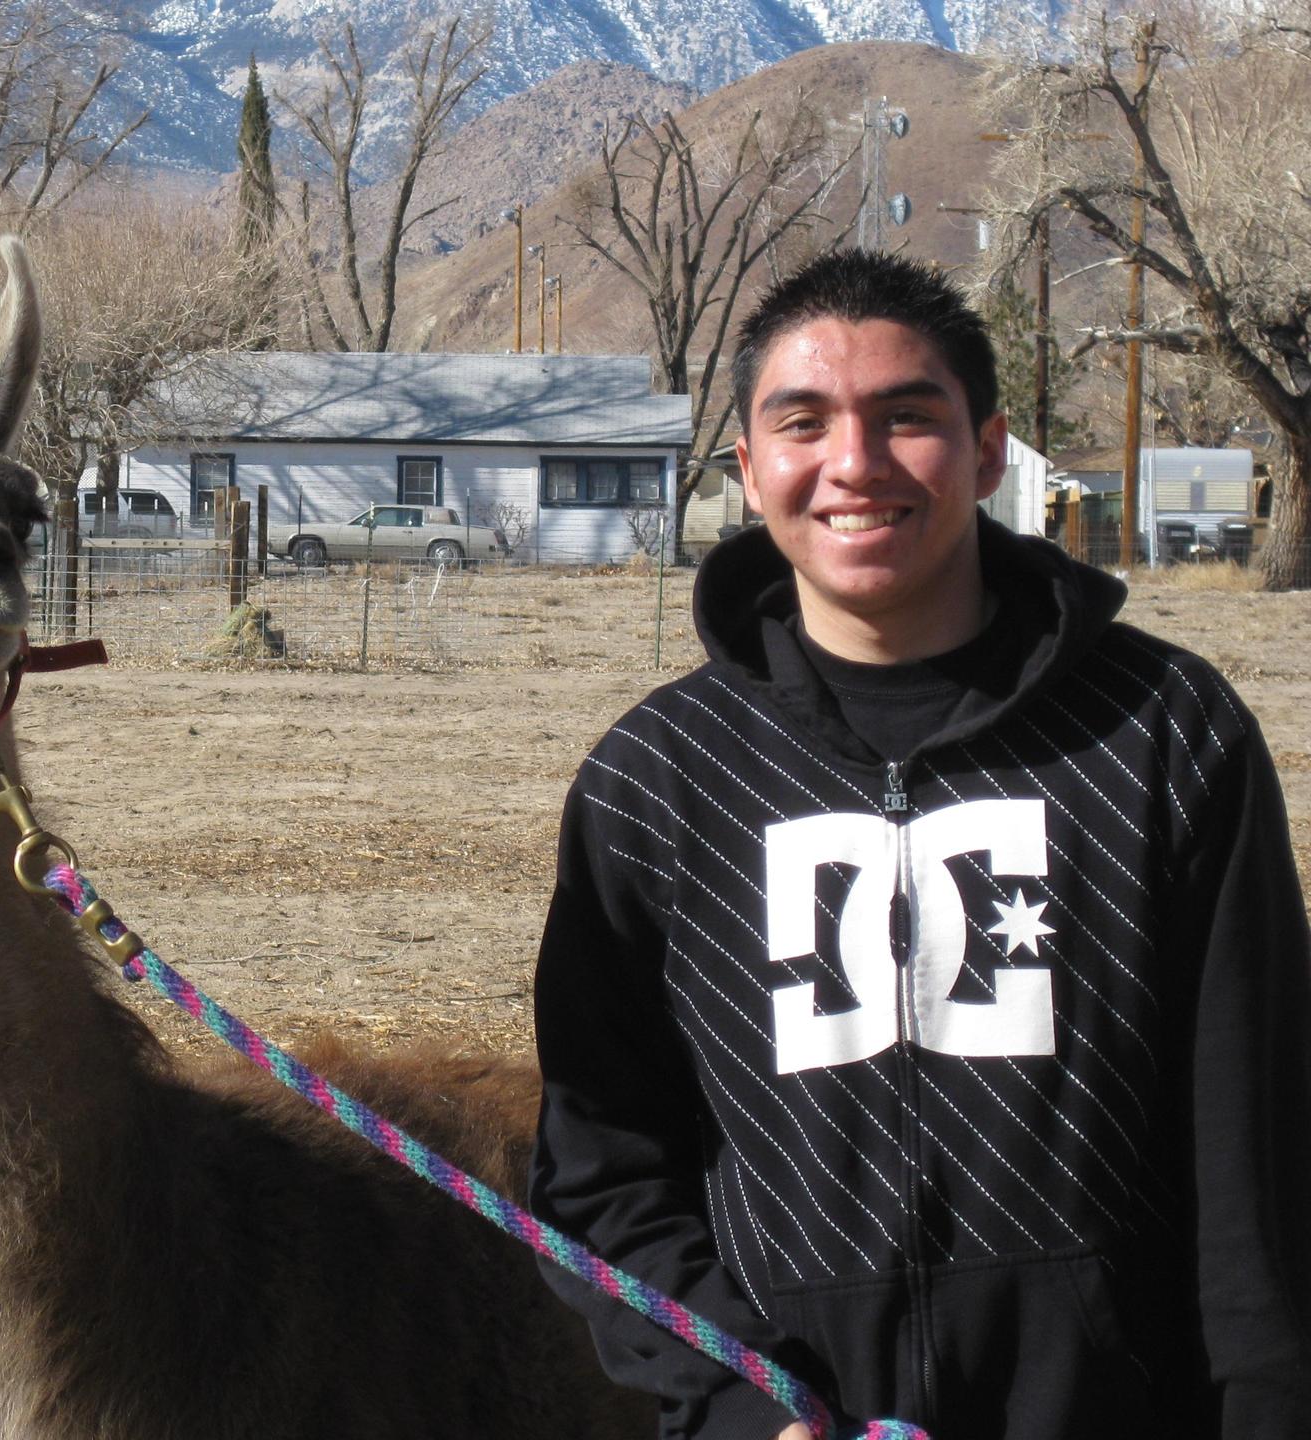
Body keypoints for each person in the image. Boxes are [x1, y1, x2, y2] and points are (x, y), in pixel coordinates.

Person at [527, 249, 1311, 1440]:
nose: (855, 463)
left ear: (988, 451)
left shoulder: (1164, 736)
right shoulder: (656, 783)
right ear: (749, 467)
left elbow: (1259, 1162)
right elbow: (602, 1175)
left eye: (907, 417)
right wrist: (742, 1403)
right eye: (804, 424)